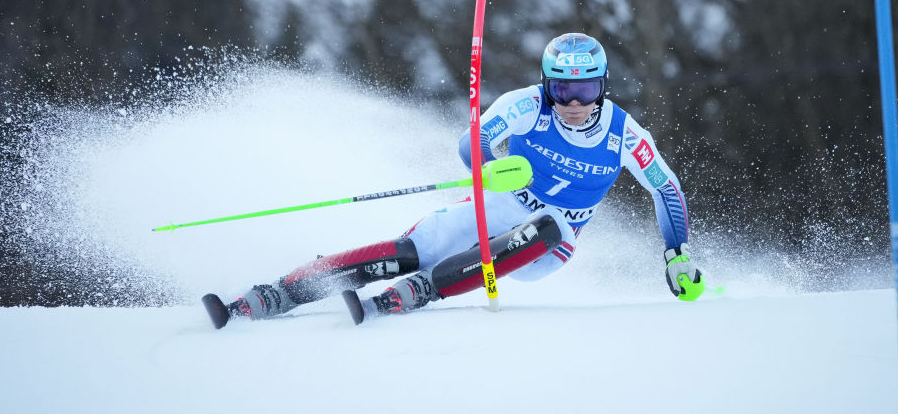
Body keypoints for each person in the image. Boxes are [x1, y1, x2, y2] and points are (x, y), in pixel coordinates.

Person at [201, 32, 705, 329]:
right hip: (503, 202)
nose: (574, 102)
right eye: (563, 88)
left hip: (552, 240)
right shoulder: (527, 106)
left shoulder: (624, 134)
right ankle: (279, 292)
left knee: (549, 225)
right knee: (415, 245)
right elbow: (472, 146)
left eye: (586, 88)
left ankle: (421, 291)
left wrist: (675, 253)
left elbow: (665, 187)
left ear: (603, 84)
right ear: (549, 84)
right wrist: (487, 165)